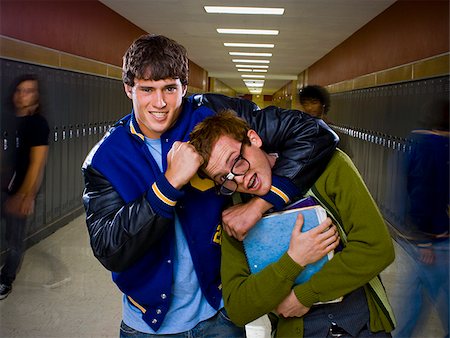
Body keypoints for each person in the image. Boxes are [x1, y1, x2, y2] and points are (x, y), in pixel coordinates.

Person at [81, 34, 338, 336]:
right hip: (147, 324)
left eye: (170, 89)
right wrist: (169, 183)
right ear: (129, 89)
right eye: (147, 90)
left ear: (185, 87)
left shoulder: (215, 115)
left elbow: (316, 135)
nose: (160, 102)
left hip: (220, 311)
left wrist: (260, 203)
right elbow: (110, 250)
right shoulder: (105, 159)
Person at [189, 110, 396, 337]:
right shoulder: (235, 217)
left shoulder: (331, 166)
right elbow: (238, 308)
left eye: (236, 162)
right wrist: (293, 261)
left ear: (254, 139)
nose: (239, 179)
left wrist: (304, 295)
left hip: (363, 324)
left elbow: (377, 248)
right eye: (223, 178)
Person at [392, 99, 449, 338]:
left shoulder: (418, 143)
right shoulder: (435, 147)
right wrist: (426, 238)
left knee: (415, 302)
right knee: (417, 304)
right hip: (434, 240)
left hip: (420, 236)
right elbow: (422, 193)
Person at [0, 74, 50, 300]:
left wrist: (25, 196)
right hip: (2, 189)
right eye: (20, 90)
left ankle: (5, 280)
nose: (23, 95)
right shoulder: (8, 119)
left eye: (29, 90)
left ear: (37, 96)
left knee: (14, 241)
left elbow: (37, 163)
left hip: (19, 192)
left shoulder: (37, 124)